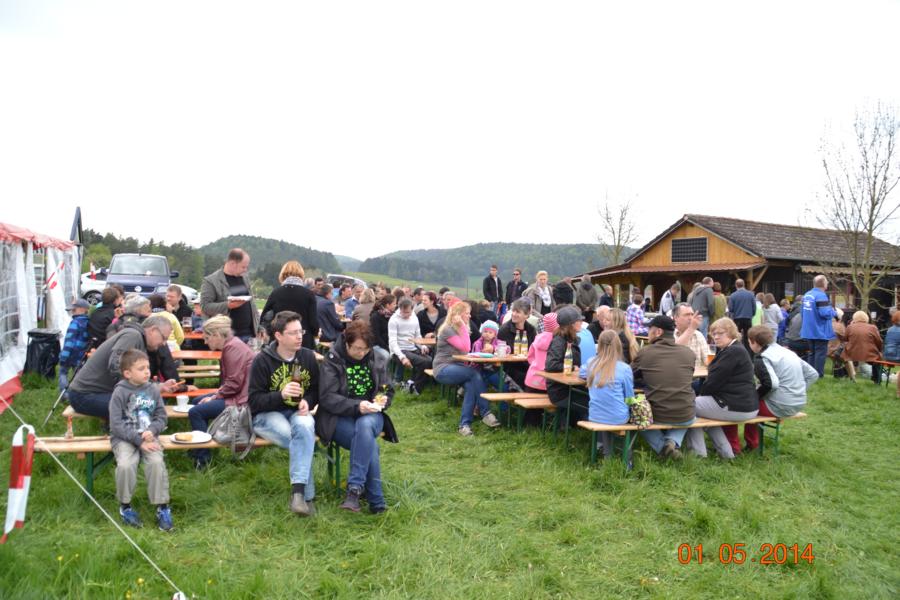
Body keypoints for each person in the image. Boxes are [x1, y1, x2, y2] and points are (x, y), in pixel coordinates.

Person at [318, 321, 397, 513]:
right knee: (368, 443)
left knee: (365, 427)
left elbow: (387, 389)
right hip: (339, 417)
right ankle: (376, 502)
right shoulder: (333, 360)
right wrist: (357, 406)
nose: (361, 353)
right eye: (357, 348)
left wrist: (381, 400)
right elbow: (327, 397)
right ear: (347, 343)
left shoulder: (377, 357)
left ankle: (354, 490)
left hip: (371, 414)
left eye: (365, 349)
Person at [248, 311, 319, 517]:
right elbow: (254, 401)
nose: (299, 337)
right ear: (278, 335)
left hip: (296, 411)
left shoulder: (307, 357)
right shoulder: (262, 360)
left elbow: (316, 389)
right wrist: (281, 395)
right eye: (293, 333)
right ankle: (306, 496)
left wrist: (307, 401)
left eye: (301, 332)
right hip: (267, 415)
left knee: (305, 426)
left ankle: (298, 495)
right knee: (301, 439)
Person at [108, 349, 172, 531]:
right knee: (125, 465)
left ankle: (162, 507)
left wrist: (152, 430)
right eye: (141, 368)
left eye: (148, 367)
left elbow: (161, 417)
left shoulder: (152, 389)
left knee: (156, 463)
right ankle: (125, 507)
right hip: (124, 438)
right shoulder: (120, 392)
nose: (147, 372)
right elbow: (116, 424)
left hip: (148, 437)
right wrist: (138, 440)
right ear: (127, 373)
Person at [67, 315, 177, 419]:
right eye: (164, 338)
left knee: (150, 404)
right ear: (153, 330)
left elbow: (135, 377)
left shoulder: (138, 339)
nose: (164, 343)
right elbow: (115, 365)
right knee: (143, 407)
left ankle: (118, 431)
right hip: (84, 395)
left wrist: (160, 386)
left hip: (96, 393)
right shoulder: (133, 336)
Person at [187, 315, 255, 469]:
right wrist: (214, 396)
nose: (205, 342)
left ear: (217, 334)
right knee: (196, 401)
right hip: (239, 394)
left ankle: (202, 459)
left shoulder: (232, 348)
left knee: (195, 412)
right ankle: (199, 446)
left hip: (242, 401)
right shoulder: (233, 344)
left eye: (207, 338)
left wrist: (214, 397)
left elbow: (234, 384)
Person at [686, 318, 758, 459]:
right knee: (701, 410)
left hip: (737, 407)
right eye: (714, 334)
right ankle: (726, 453)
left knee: (687, 406)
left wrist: (700, 395)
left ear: (731, 333)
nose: (716, 337)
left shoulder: (732, 352)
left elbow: (712, 383)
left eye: (720, 333)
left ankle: (698, 453)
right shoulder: (734, 349)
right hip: (745, 405)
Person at [630, 315, 696, 459]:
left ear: (658, 332)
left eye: (650, 329)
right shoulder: (689, 353)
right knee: (688, 415)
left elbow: (629, 375)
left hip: (658, 414)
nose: (647, 333)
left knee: (638, 415)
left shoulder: (645, 352)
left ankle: (662, 448)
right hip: (686, 413)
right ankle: (672, 442)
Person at [744, 326, 818, 450]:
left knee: (748, 406)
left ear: (754, 342)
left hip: (780, 405)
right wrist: (798, 391)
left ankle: (751, 444)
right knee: (756, 400)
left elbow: (771, 384)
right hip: (799, 403)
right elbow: (813, 374)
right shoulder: (788, 352)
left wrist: (756, 397)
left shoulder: (763, 357)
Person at [432, 301, 500, 436]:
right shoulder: (448, 330)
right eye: (467, 314)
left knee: (471, 385)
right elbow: (466, 347)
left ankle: (464, 425)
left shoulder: (460, 329)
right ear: (458, 315)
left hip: (458, 367)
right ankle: (486, 412)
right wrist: (463, 326)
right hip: (443, 368)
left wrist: (463, 327)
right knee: (474, 374)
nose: (469, 316)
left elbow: (466, 349)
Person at [580, 331, 633, 457]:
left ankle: (605, 451)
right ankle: (626, 456)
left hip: (595, 415)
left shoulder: (591, 363)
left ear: (599, 345)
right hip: (618, 417)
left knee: (605, 410)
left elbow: (582, 373)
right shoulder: (625, 368)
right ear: (619, 346)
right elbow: (629, 398)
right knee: (621, 413)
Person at [200, 248, 260, 342]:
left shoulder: (245, 278)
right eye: (243, 267)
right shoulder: (211, 281)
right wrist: (228, 305)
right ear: (232, 264)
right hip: (225, 337)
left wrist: (259, 327)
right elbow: (205, 307)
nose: (245, 270)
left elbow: (252, 305)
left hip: (249, 335)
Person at [260, 261, 319, 350]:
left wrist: (271, 333)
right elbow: (314, 323)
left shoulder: (276, 293)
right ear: (301, 274)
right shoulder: (309, 294)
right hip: (303, 341)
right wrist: (316, 332)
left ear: (282, 274)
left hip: (280, 341)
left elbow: (264, 317)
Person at [544, 306, 584, 420]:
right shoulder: (559, 341)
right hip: (559, 391)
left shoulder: (571, 339)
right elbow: (551, 365)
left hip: (569, 387)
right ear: (571, 324)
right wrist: (572, 368)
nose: (581, 322)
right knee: (590, 401)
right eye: (579, 320)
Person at [388, 298, 433, 394]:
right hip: (399, 350)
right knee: (424, 362)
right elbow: (392, 342)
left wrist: (422, 346)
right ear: (399, 309)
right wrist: (402, 357)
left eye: (408, 312)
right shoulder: (393, 320)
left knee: (430, 360)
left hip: (412, 347)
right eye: (403, 312)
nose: (405, 315)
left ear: (412, 309)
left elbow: (417, 335)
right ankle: (416, 388)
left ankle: (411, 383)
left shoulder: (414, 317)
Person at [800, 274, 836, 377]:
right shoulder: (821, 296)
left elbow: (802, 313)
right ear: (824, 284)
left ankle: (810, 374)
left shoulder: (806, 295)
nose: (827, 284)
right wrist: (835, 312)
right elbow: (825, 313)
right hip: (820, 331)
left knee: (812, 353)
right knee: (820, 353)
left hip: (808, 330)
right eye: (827, 282)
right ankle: (818, 375)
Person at [497, 298, 536, 391]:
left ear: (526, 315)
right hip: (510, 368)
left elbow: (534, 349)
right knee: (526, 378)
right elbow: (503, 352)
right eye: (513, 311)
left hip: (527, 365)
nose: (514, 314)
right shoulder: (504, 330)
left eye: (518, 312)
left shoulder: (531, 329)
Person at [59, 299, 91, 394]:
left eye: (74, 309)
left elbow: (69, 341)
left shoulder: (75, 323)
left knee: (63, 373)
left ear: (82, 309)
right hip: (81, 354)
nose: (72, 311)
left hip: (70, 354)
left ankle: (65, 394)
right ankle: (77, 393)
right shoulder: (88, 322)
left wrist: (64, 356)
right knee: (78, 375)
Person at [842, 311, 884, 383]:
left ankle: (850, 376)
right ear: (866, 318)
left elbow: (845, 339)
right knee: (878, 361)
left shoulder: (849, 327)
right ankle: (877, 380)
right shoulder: (873, 327)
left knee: (844, 356)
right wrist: (879, 350)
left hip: (852, 353)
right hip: (869, 354)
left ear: (854, 318)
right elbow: (879, 341)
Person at [525, 313, 558, 393]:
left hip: (532, 378)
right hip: (547, 382)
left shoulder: (538, 338)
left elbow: (530, 357)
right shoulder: (558, 341)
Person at [471, 320, 503, 388]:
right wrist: (482, 352)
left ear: (495, 335)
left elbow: (507, 348)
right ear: (482, 332)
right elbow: (475, 354)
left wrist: (493, 349)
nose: (487, 334)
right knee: (482, 378)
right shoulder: (477, 343)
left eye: (490, 332)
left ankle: (505, 390)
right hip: (479, 367)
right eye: (485, 331)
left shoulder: (498, 342)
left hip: (494, 368)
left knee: (499, 380)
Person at [726, 278, 756, 346]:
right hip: (748, 317)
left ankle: (738, 348)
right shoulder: (751, 294)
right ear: (744, 285)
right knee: (748, 336)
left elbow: (731, 309)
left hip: (737, 318)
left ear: (736, 285)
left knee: (737, 336)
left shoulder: (733, 295)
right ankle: (748, 349)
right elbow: (754, 307)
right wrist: (752, 314)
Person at [369, 295, 396, 362]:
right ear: (387, 305)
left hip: (390, 344)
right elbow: (376, 337)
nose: (395, 306)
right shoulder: (375, 317)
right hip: (377, 345)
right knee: (386, 355)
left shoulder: (393, 316)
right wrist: (388, 348)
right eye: (394, 304)